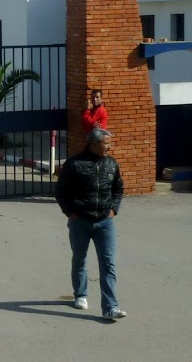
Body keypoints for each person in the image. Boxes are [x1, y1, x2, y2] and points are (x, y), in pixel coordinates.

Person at [54, 128, 126, 320]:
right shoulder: (74, 164)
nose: (109, 146)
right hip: (80, 221)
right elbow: (61, 191)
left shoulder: (112, 164)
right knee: (80, 258)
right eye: (106, 143)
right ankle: (81, 294)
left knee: (108, 263)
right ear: (94, 144)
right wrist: (70, 212)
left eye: (110, 142)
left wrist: (114, 209)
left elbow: (118, 188)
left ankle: (111, 307)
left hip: (105, 222)